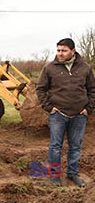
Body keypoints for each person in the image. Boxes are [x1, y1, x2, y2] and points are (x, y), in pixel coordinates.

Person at [36, 38, 95, 187]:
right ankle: (54, 176)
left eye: (64, 51)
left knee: (75, 146)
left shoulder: (85, 68)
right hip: (58, 115)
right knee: (55, 146)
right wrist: (49, 108)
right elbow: (41, 89)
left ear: (73, 51)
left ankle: (73, 174)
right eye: (58, 50)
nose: (60, 54)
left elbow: (92, 90)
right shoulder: (49, 68)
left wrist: (88, 109)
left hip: (79, 115)